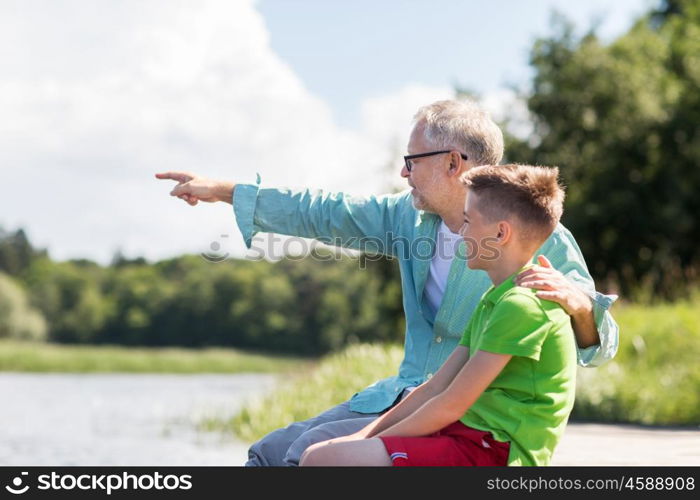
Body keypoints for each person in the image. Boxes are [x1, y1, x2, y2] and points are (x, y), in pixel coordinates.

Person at [155, 99, 619, 466]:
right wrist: (227, 191)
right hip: (404, 394)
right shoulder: (406, 217)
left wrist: (580, 307)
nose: (403, 172)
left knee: (308, 455)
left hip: (474, 421)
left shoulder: (537, 235)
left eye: (412, 160)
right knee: (268, 453)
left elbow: (600, 346)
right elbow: (324, 210)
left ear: (453, 162)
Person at [299, 164, 575, 466]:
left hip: (494, 452)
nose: (461, 232)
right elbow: (433, 388)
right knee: (324, 453)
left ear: (500, 232)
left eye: (468, 222)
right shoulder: (495, 299)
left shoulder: (522, 305)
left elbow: (449, 404)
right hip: (469, 436)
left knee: (323, 460)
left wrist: (369, 444)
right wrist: (361, 437)